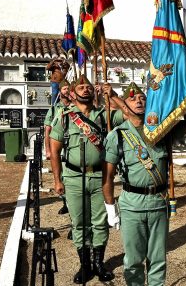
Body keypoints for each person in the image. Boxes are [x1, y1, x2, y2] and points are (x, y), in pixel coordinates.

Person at [102, 82, 186, 286]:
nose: (139, 100)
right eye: (132, 98)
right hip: (132, 204)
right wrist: (110, 208)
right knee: (133, 260)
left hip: (158, 202)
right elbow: (108, 175)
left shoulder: (161, 131)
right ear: (124, 105)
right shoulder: (117, 136)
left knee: (158, 259)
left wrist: (172, 100)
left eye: (142, 98)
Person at [48, 75, 124, 284]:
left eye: (88, 87)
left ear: (94, 91)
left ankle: (99, 263)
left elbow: (129, 116)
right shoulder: (65, 117)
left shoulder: (105, 114)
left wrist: (114, 95)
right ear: (72, 93)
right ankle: (85, 264)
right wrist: (57, 180)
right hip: (73, 177)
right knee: (80, 223)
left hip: (101, 177)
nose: (85, 89)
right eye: (80, 87)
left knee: (100, 222)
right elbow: (55, 151)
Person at [44, 79, 72, 214]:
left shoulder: (76, 106)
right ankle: (65, 202)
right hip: (58, 148)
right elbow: (48, 130)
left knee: (70, 176)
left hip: (72, 147)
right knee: (60, 176)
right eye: (64, 88)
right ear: (60, 91)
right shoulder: (55, 109)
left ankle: (71, 202)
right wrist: (48, 150)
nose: (67, 90)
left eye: (69, 88)